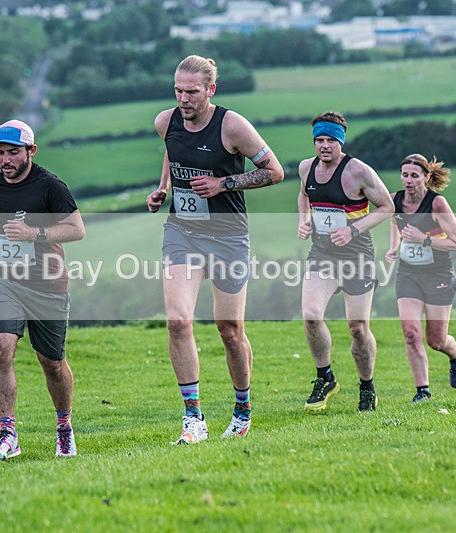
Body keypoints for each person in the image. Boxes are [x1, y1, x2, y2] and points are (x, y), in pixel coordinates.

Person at [147, 55, 284, 444]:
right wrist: (165, 188)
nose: (184, 99)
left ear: (210, 90)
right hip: (182, 233)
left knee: (229, 329)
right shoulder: (165, 121)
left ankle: (242, 410)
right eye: (178, 90)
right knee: (177, 321)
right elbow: (174, 153)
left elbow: (275, 172)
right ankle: (193, 418)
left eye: (192, 92)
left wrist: (225, 184)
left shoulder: (233, 125)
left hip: (227, 236)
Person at [0, 119, 85, 461]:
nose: (5, 160)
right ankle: (8, 433)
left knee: (52, 363)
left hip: (47, 283)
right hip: (4, 280)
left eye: (13, 153)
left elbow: (77, 229)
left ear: (30, 152)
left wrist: (34, 234)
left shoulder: (50, 186)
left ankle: (64, 429)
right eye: (0, 153)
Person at [297, 111, 394, 412]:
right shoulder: (305, 168)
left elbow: (387, 207)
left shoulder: (359, 172)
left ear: (340, 141)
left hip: (357, 255)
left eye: (330, 140)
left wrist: (353, 229)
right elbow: (303, 196)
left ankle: (367, 386)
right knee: (311, 315)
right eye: (319, 140)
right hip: (323, 253)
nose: (324, 146)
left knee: (358, 328)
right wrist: (305, 220)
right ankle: (325, 377)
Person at [385, 153, 456, 402]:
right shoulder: (394, 200)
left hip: (438, 274)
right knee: (411, 333)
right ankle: (423, 392)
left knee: (436, 340)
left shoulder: (436, 204)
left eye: (414, 176)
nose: (408, 180)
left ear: (427, 177)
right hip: (408, 274)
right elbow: (394, 221)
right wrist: (393, 246)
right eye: (404, 175)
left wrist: (424, 239)